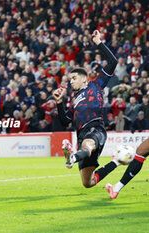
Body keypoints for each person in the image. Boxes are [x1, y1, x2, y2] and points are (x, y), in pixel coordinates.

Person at [53, 30, 119, 188]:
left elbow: (113, 62)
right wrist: (59, 102)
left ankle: (73, 158)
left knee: (88, 145)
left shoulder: (96, 84)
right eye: (70, 80)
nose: (71, 82)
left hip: (96, 129)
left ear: (84, 78)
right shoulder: (74, 99)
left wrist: (98, 43)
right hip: (81, 135)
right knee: (88, 183)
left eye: (74, 78)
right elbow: (64, 121)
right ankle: (116, 161)